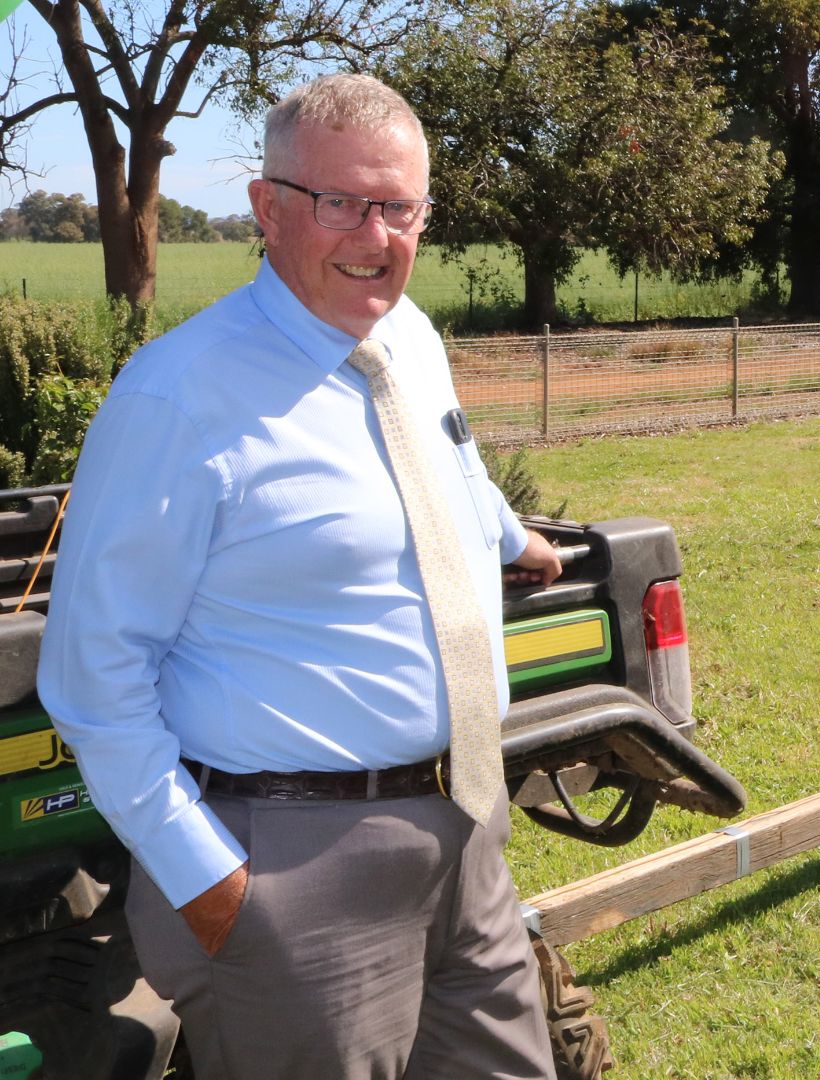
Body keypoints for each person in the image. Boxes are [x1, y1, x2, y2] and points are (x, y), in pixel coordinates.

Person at [37, 73, 563, 1079]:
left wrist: (509, 538)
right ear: (268, 209)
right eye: (342, 203)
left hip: (462, 833)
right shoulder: (179, 398)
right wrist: (214, 885)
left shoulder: (405, 338)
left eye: (400, 206)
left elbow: (447, 465)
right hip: (288, 868)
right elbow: (94, 674)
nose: (376, 234)